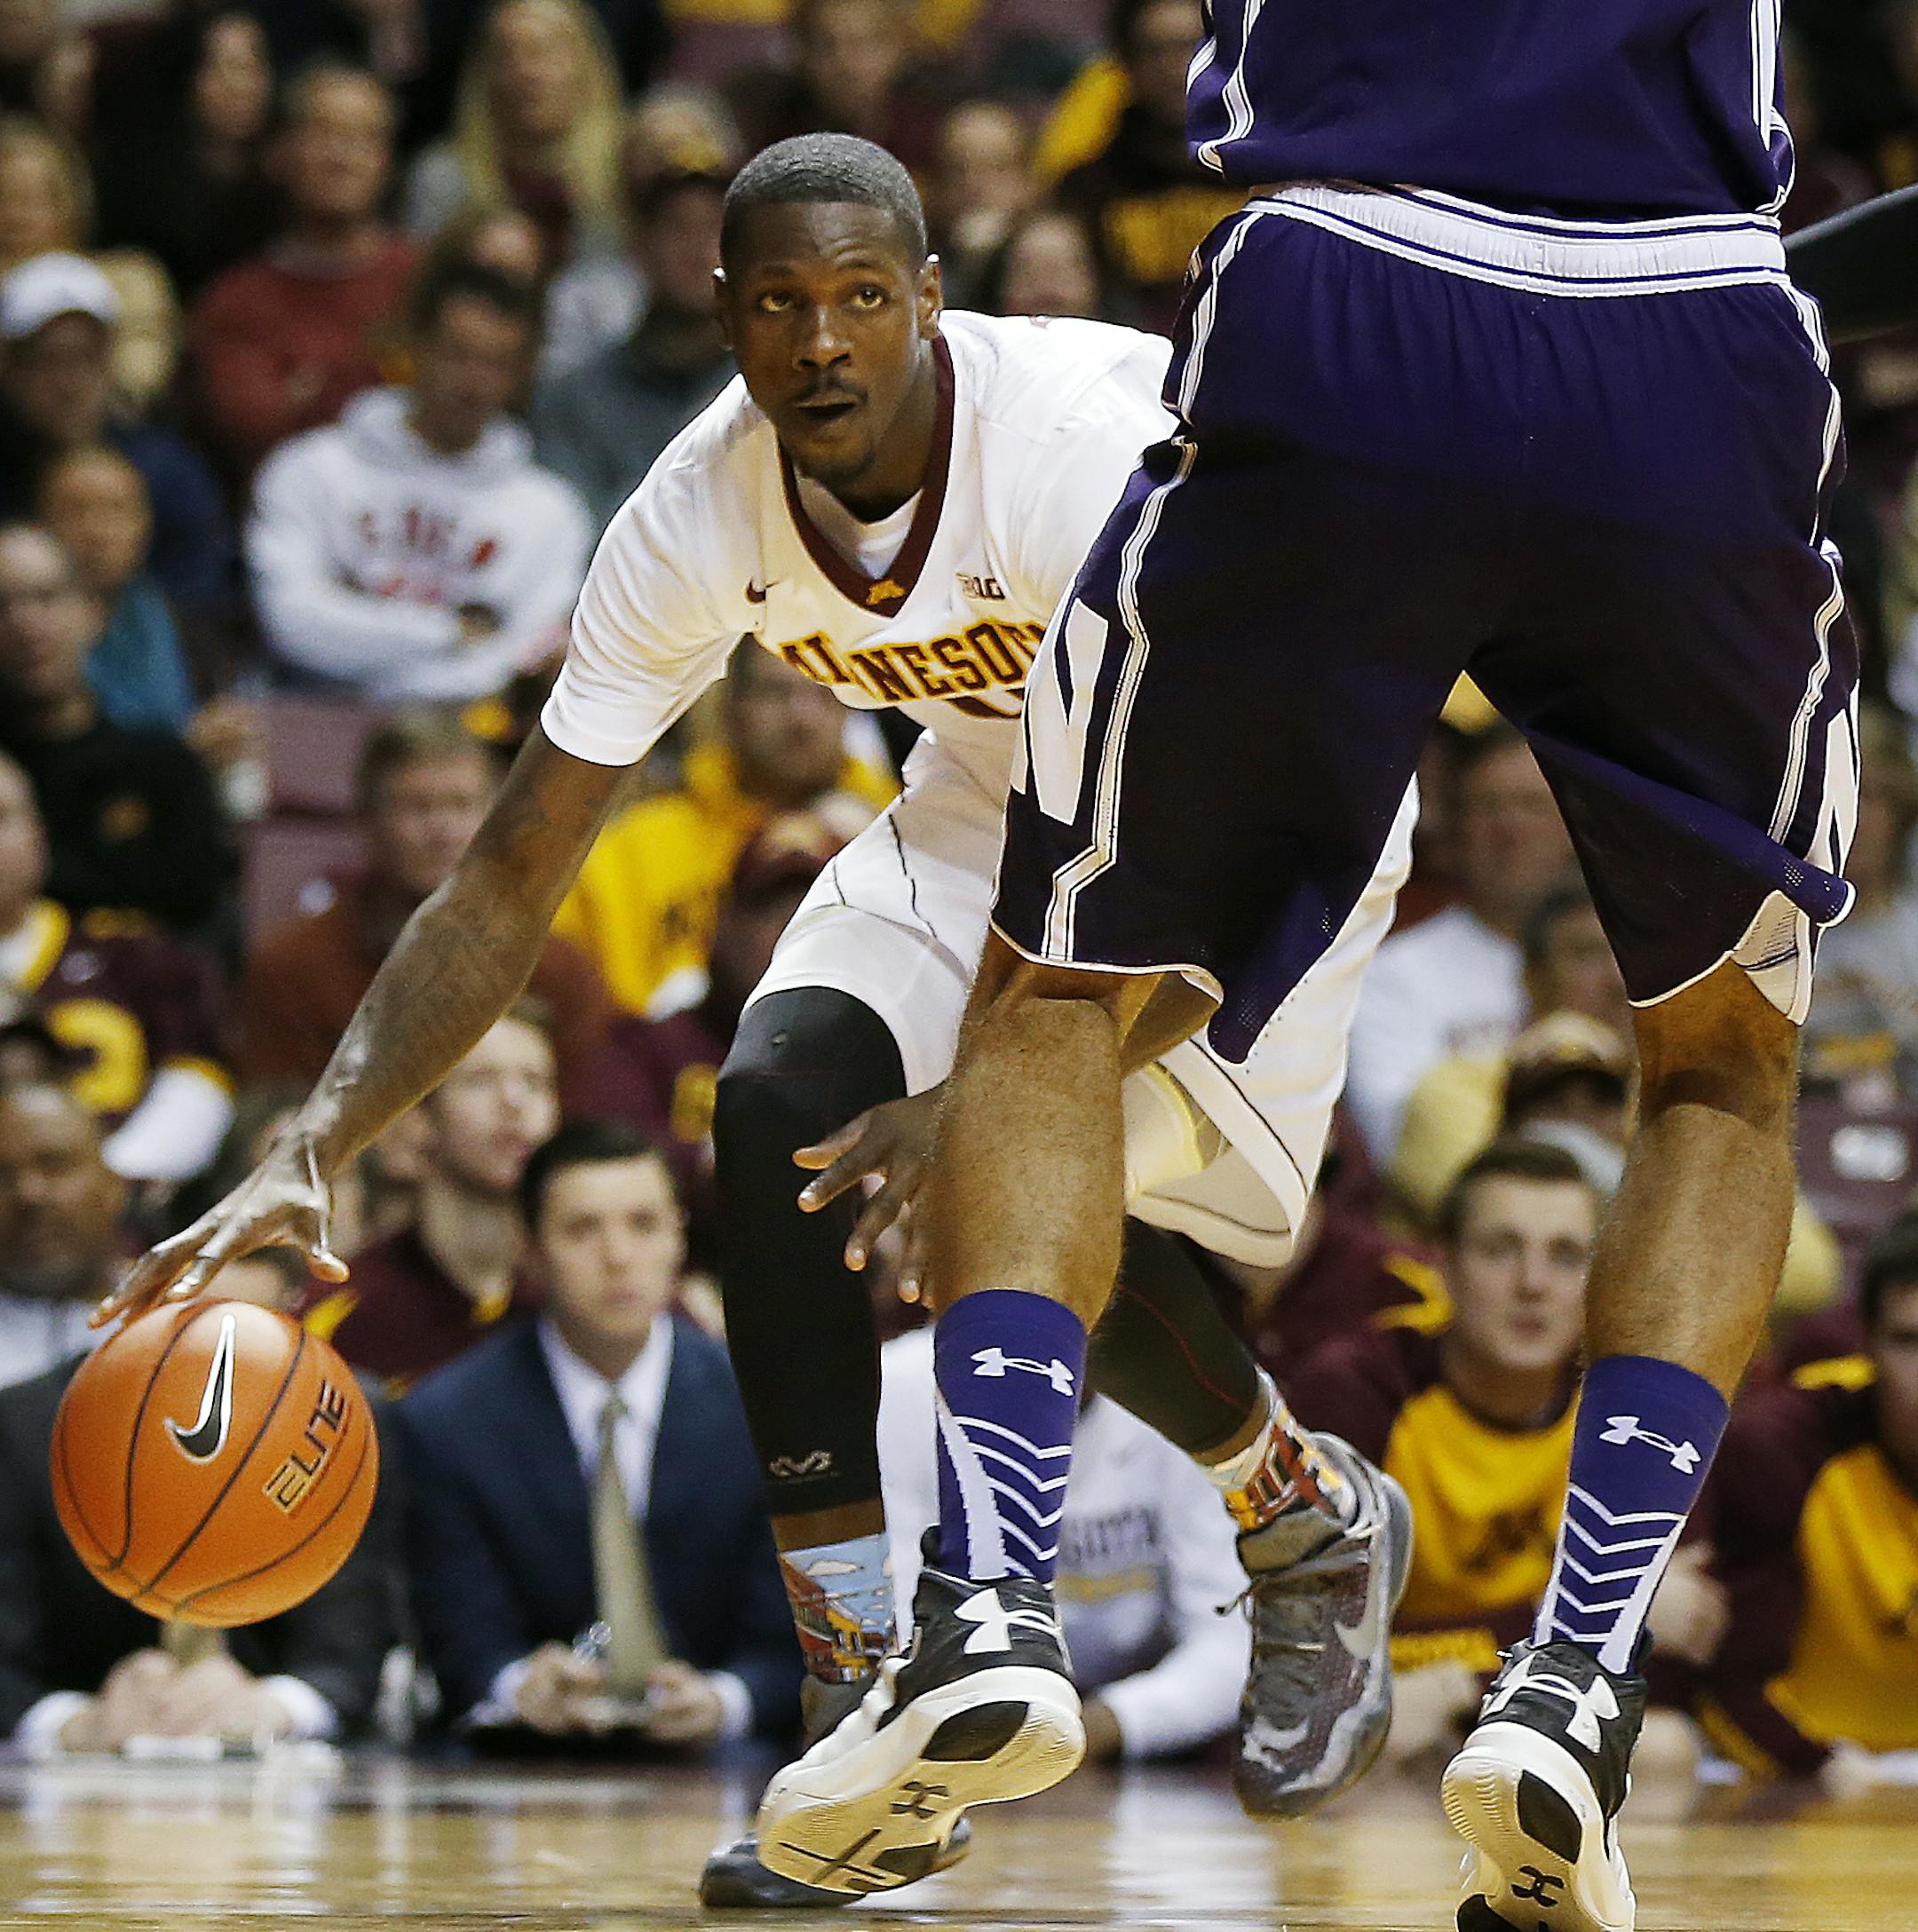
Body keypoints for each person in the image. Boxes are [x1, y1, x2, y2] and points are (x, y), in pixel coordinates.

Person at [107, 138, 1416, 1908]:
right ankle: (859, 1705)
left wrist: (992, 1107)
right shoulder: (694, 512)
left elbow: (1248, 825)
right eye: (781, 304)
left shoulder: (1090, 452)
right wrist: (312, 1141)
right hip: (990, 796)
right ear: (720, 316)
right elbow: (507, 876)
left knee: (1000, 1178)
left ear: (932, 299)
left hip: (1271, 821)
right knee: (775, 1102)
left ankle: (1297, 1509)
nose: (823, 343)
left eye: (864, 297)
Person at [892, 0, 1861, 1915]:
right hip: (1686, 321)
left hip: (1350, 282)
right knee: (1725, 1059)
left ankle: (993, 1595)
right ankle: (1579, 1671)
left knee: (1056, 1000)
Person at [395, 1119, 802, 1743]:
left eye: (643, 1225)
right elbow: (462, 1647)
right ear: (527, 1245)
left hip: (734, 1769)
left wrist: (724, 1701)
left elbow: (792, 1644)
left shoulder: (764, 1407)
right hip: (524, 1774)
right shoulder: (448, 1419)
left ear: (678, 1239)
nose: (618, 1257)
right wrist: (518, 1686)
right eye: (582, 1229)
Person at [878, 1323, 1250, 1762]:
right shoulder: (901, 1386)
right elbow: (891, 1632)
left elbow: (1232, 1646)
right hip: (945, 1722)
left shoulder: (1185, 1386)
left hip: (1117, 1726)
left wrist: (1101, 1727)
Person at [247, 259, 591, 704]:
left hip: (468, 739)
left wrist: (370, 641)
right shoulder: (309, 471)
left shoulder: (552, 512)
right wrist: (451, 632)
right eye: (458, 354)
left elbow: (526, 658)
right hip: (314, 716)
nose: (474, 383)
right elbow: (291, 621)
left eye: (497, 363)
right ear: (414, 346)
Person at [240, 712, 612, 1109]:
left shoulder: (557, 971)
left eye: (462, 805)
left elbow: (585, 1122)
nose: (443, 829)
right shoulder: (294, 965)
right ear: (368, 823)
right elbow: (277, 1123)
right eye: (417, 807)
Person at [551, 645, 896, 1017]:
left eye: (826, 693)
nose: (804, 719)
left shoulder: (901, 826)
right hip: (663, 1064)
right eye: (776, 693)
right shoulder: (632, 848)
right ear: (730, 706)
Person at [1697, 1212, 1918, 1779]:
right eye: (1909, 1342)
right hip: (1823, 1769)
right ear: (1866, 1344)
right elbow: (1733, 1683)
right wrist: (1823, 1768)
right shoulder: (1780, 1449)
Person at [1347, 724, 1577, 1165]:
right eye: (1488, 807)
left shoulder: (1620, 964)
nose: (1509, 829)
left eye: (1531, 806)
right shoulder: (1391, 973)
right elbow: (1399, 1147)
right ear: (1456, 832)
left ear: (1573, 829)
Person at [0, 753, 233, 1185]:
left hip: (122, 1217)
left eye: (0, 817)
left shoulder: (131, 956)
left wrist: (103, 1178)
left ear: (39, 837)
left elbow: (198, 1083)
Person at [304, 1005, 559, 1393]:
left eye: (536, 1081)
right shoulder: (343, 1312)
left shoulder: (580, 1297)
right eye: (481, 1080)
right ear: (418, 1117)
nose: (514, 1101)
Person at [186, 62, 416, 483]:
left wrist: (310, 390)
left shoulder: (425, 282)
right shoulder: (234, 303)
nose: (341, 158)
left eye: (363, 139)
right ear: (280, 153)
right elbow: (258, 432)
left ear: (387, 161)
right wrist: (376, 377)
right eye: (323, 134)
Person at [0, 525, 228, 935]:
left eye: (46, 598)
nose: (26, 624)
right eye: (2, 605)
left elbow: (197, 912)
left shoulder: (164, 768)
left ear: (92, 612)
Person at [0, 251, 234, 616]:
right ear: (10, 367)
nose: (70, 382)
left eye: (87, 356)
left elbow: (199, 600)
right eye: (49, 358)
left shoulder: (167, 470)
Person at [534, 166, 734, 534]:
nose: (697, 248)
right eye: (679, 228)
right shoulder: (573, 399)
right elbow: (566, 530)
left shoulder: (770, 394)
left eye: (715, 231)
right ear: (639, 247)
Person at [1052, 0, 1244, 333]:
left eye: (1187, 46)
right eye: (1154, 50)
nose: (1172, 66)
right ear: (1127, 64)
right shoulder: (1090, 188)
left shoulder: (1266, 173)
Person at [403, 0, 625, 273]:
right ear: (485, 76)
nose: (527, 72)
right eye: (508, 56)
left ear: (585, 67)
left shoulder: (626, 170)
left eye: (543, 52)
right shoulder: (443, 178)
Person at [90, 8, 279, 302]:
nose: (240, 87)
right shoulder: (136, 188)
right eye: (221, 68)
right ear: (185, 76)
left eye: (252, 67)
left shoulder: (282, 182)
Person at [36, 446, 194, 736]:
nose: (96, 531)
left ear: (144, 524)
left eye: (115, 509)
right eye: (76, 510)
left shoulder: (156, 607)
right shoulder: (25, 619)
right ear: (42, 524)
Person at [0, 1083, 124, 1388]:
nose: (30, 1194)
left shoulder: (181, 1321)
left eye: (55, 1164)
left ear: (113, 1186)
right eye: (2, 1175)